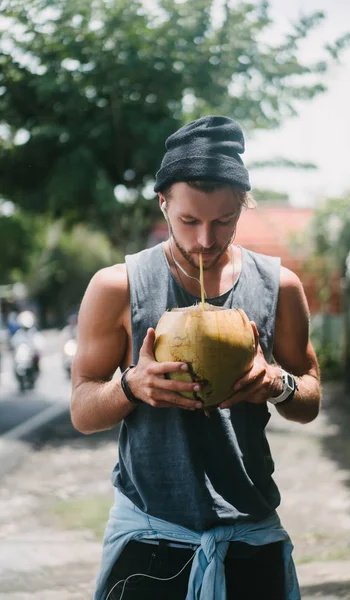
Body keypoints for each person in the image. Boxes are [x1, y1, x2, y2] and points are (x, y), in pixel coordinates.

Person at [70, 115, 321, 600]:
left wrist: (277, 384)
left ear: (242, 208)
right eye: (189, 220)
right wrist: (131, 386)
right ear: (163, 203)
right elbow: (82, 410)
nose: (206, 239)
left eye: (223, 220)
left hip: (250, 536)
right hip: (152, 537)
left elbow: (309, 396)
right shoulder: (116, 288)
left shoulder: (280, 287)